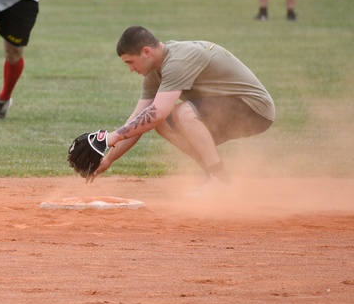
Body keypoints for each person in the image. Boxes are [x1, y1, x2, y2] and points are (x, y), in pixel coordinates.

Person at [90, 26, 275, 196]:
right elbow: (138, 121)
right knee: (161, 123)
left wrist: (112, 136)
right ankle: (213, 174)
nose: (131, 69)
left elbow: (158, 113)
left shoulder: (178, 60)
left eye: (130, 62)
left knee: (183, 113)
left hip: (255, 108)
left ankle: (221, 180)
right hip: (229, 107)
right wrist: (108, 159)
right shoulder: (155, 72)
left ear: (146, 52)